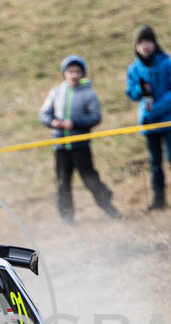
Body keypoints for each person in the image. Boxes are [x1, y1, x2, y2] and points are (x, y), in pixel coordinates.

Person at [40, 55, 122, 225]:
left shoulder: (89, 94)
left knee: (90, 179)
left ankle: (109, 208)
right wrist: (52, 122)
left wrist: (75, 123)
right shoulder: (55, 93)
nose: (74, 75)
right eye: (70, 71)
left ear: (83, 74)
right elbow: (44, 113)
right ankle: (67, 218)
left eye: (77, 71)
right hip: (60, 146)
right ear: (64, 73)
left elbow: (95, 117)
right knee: (63, 182)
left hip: (81, 145)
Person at [125, 25, 171, 210]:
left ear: (155, 43)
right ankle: (159, 200)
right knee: (154, 162)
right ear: (136, 46)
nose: (145, 46)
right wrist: (140, 89)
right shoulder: (134, 69)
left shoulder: (167, 64)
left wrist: (157, 110)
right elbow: (131, 93)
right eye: (141, 43)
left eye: (148, 42)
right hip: (149, 123)